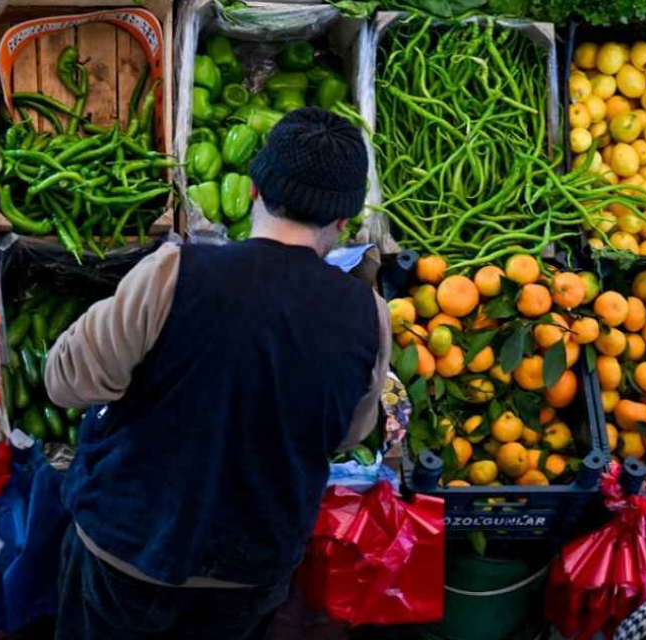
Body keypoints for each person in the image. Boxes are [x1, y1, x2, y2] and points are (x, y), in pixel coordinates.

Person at [46, 107, 392, 639]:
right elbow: (348, 433)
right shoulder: (367, 315)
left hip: (129, 546)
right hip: (248, 570)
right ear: (344, 220)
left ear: (254, 188)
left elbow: (66, 383)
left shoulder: (173, 272)